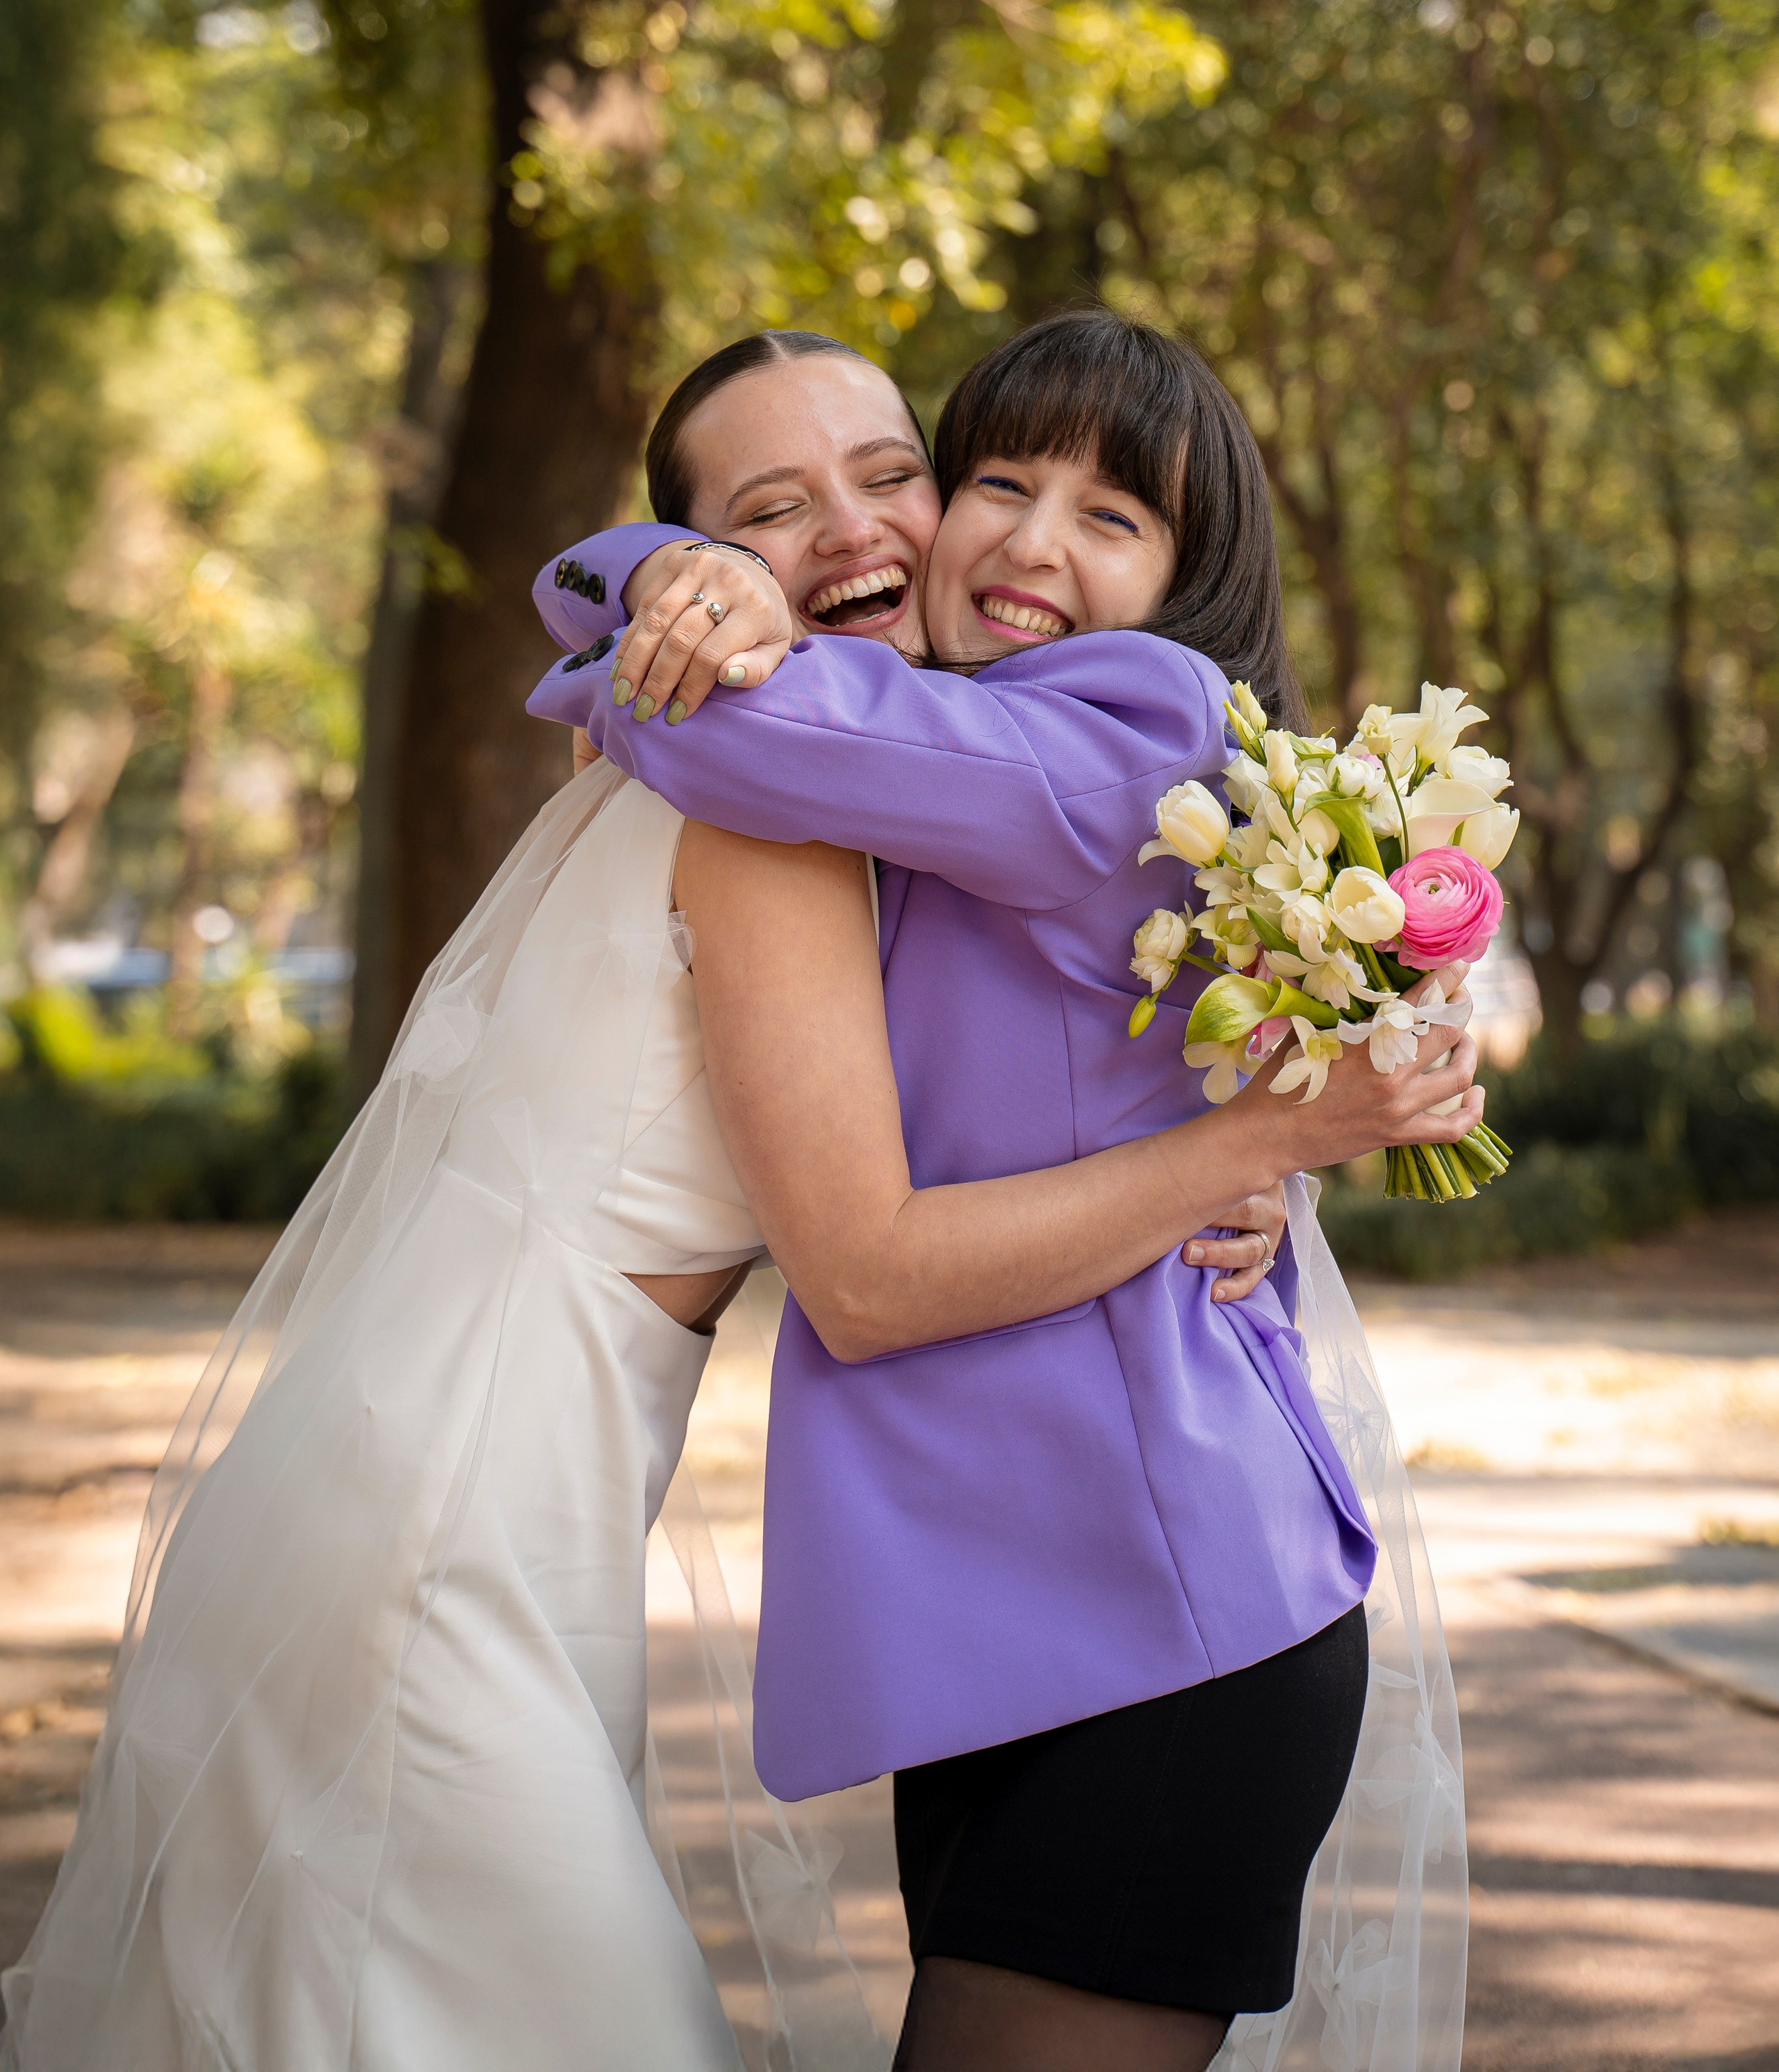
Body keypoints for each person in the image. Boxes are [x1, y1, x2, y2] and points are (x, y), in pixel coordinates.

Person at [0, 336, 1455, 2071]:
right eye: (992, 483)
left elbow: (910, 1199)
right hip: (536, 1512)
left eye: (887, 477)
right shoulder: (798, 789)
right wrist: (652, 582)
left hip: (1109, 1600)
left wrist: (1254, 1155)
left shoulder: (1034, 740)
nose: (893, 533)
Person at [531, 310, 1476, 2072]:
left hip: (1167, 1619)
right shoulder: (942, 781)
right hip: (1015, 1619)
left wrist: (664, 589)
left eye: (1112, 518)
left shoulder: (1137, 718)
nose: (1035, 542)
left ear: (1186, 584)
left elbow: (736, 736)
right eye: (996, 483)